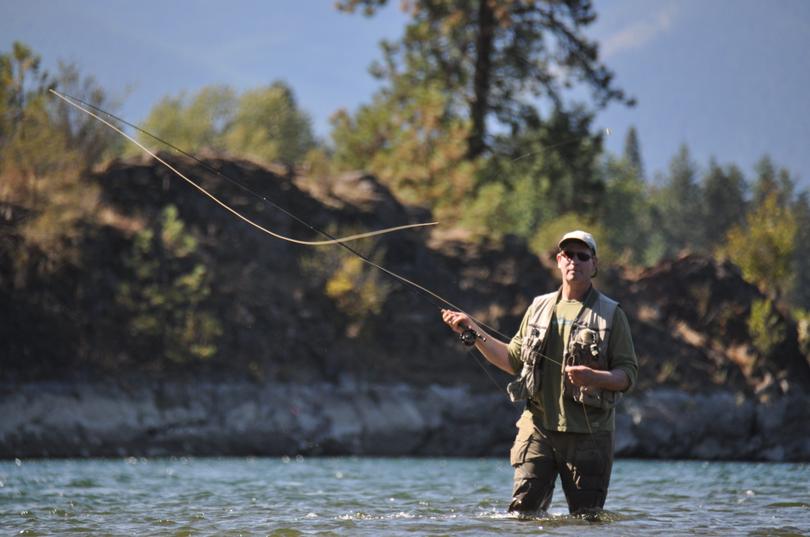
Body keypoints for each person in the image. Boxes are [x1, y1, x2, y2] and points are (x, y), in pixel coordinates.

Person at [441, 230, 638, 517]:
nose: (574, 261)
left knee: (587, 519)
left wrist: (595, 378)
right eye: (568, 255)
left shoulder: (612, 314)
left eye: (583, 256)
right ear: (559, 260)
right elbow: (512, 360)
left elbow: (628, 376)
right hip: (537, 429)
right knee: (522, 515)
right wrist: (473, 330)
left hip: (589, 437)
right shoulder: (538, 307)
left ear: (594, 265)